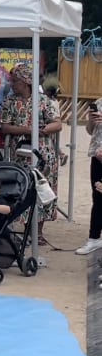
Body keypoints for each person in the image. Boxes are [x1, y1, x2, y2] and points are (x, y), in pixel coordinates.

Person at [0, 63, 61, 242]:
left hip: (43, 153)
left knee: (42, 189)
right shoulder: (9, 102)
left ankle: (38, 232)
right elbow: (5, 127)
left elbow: (57, 123)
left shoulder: (43, 101)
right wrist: (28, 130)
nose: (12, 84)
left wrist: (44, 129)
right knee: (23, 189)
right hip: (20, 153)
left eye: (15, 81)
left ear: (26, 82)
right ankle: (24, 228)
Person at [77, 103, 102, 255]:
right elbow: (90, 131)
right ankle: (94, 238)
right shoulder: (99, 102)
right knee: (98, 196)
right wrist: (91, 121)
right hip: (97, 156)